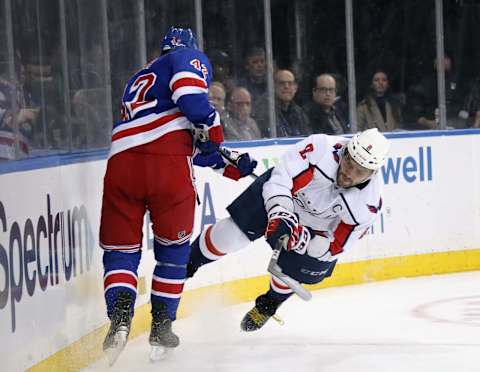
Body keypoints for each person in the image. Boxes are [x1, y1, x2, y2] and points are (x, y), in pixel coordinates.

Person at [99, 27, 257, 365]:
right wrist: (214, 130)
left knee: (120, 251)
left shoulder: (139, 79)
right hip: (167, 171)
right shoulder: (187, 57)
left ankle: (120, 315)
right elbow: (193, 105)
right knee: (173, 252)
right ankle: (161, 324)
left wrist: (232, 165)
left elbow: (180, 140)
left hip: (121, 165)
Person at [186, 128, 389, 331]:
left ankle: (269, 304)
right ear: (345, 151)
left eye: (359, 171)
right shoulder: (320, 148)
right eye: (349, 163)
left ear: (373, 172)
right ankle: (185, 265)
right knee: (231, 236)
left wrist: (309, 240)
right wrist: (280, 212)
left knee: (305, 262)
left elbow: (337, 245)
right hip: (282, 196)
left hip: (315, 226)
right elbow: (281, 181)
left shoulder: (369, 203)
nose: (348, 173)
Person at [255, 69, 311, 138]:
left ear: (295, 88)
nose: (286, 86)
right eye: (282, 83)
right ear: (273, 87)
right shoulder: (265, 109)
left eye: (290, 83)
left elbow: (307, 137)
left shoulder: (299, 112)